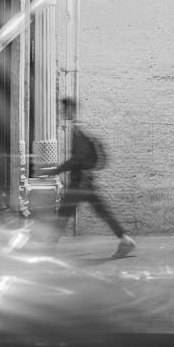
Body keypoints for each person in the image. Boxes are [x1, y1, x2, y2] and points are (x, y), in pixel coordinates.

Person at [53, 97, 136, 258]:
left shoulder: (77, 131)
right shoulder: (77, 129)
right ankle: (125, 240)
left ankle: (48, 248)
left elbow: (77, 159)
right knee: (102, 211)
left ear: (71, 109)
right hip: (85, 182)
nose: (62, 112)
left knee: (64, 213)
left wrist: (55, 171)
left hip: (79, 183)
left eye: (64, 109)